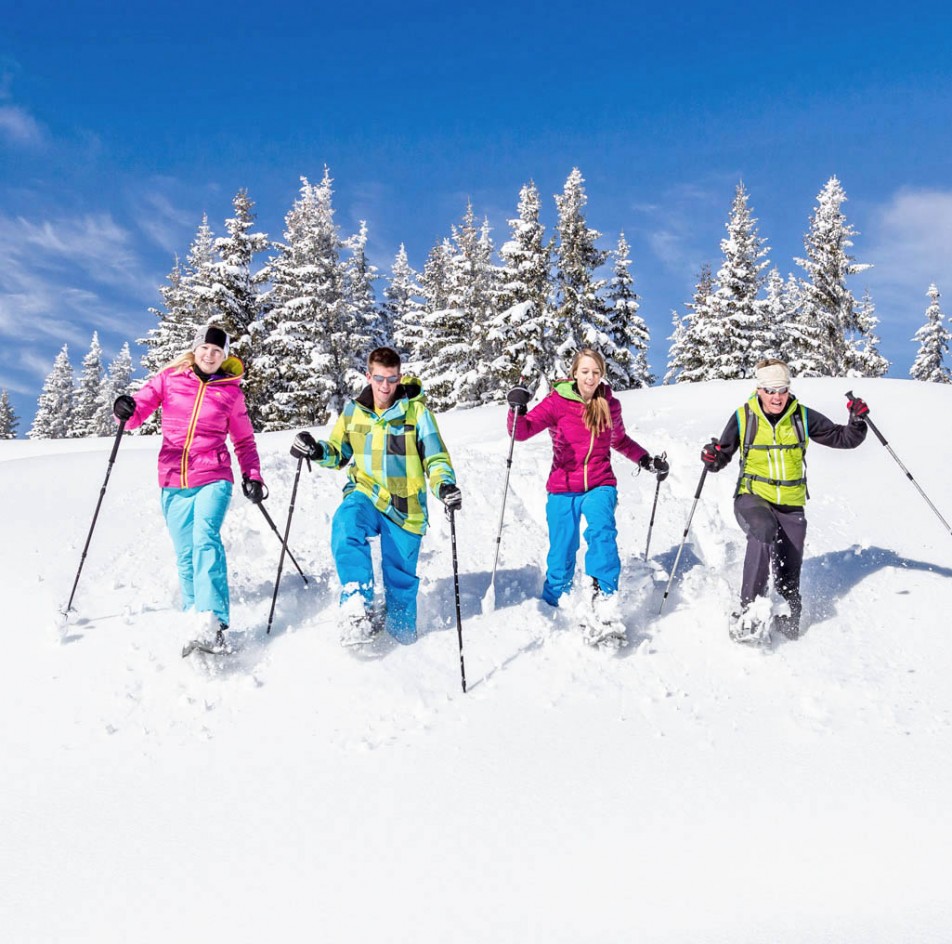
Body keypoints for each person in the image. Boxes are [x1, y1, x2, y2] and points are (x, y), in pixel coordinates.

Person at [290, 346, 460, 647]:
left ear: (400, 377)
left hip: (405, 505)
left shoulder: (417, 412)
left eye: (392, 379)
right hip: (366, 492)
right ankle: (357, 602)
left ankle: (403, 641)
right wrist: (316, 449)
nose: (385, 386)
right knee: (346, 524)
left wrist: (444, 485)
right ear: (368, 376)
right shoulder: (354, 412)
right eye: (379, 378)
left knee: (401, 582)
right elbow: (338, 454)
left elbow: (436, 458)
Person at [112, 325, 266, 649]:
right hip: (172, 480)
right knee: (185, 554)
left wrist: (252, 475)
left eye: (217, 351)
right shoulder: (169, 379)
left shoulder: (230, 393)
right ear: (195, 350)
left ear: (225, 356)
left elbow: (244, 440)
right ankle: (194, 617)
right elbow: (138, 410)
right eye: (205, 349)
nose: (210, 355)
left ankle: (213, 620)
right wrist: (124, 409)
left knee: (204, 539)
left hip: (214, 476)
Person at [506, 348, 669, 646]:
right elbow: (522, 431)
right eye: (585, 371)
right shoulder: (557, 402)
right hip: (562, 486)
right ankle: (554, 603)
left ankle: (605, 599)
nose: (590, 377)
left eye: (595, 372)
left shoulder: (610, 404)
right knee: (562, 548)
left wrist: (645, 460)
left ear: (601, 374)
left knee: (602, 533)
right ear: (574, 373)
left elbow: (619, 440)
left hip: (599, 483)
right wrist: (515, 408)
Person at [700, 358, 868, 642]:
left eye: (782, 389)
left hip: (791, 503)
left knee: (789, 567)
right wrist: (712, 456)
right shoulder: (744, 416)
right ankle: (750, 610)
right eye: (770, 390)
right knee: (764, 530)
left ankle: (788, 622)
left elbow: (844, 438)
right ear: (759, 389)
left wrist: (858, 420)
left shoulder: (801, 416)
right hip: (752, 497)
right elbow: (721, 456)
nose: (777, 397)